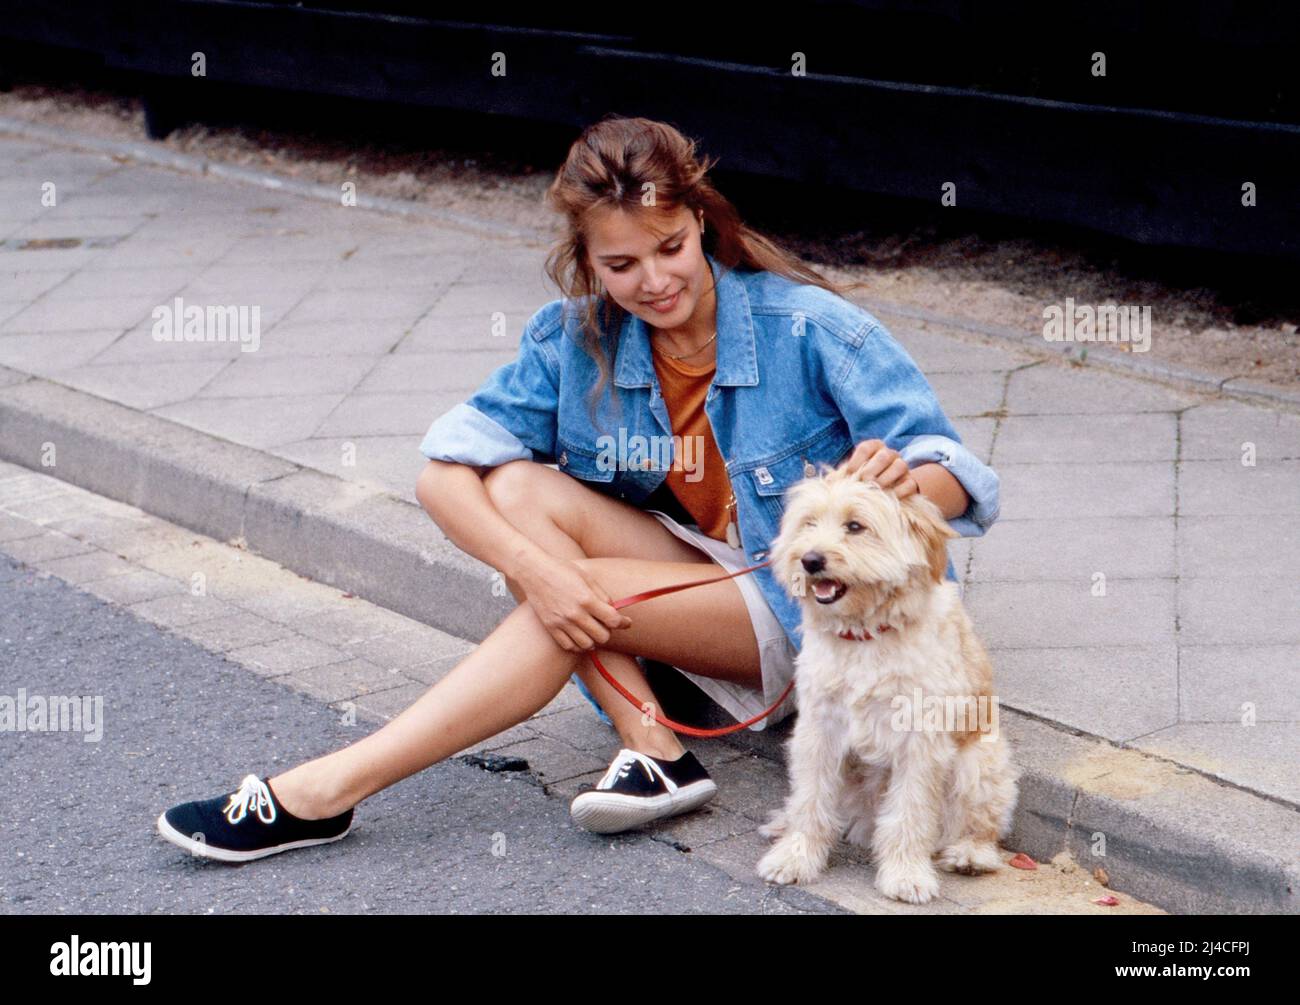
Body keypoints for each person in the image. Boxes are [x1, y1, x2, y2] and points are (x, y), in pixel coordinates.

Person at [155, 115, 1000, 863]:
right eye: (621, 264)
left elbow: (962, 474)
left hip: (811, 612)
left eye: (670, 248)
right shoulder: (576, 340)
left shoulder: (810, 328)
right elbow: (442, 472)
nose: (655, 281)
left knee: (565, 589)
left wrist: (906, 478)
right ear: (588, 261)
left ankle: (327, 788)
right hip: (699, 575)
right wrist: (539, 570)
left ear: (701, 223)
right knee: (516, 490)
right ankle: (650, 738)